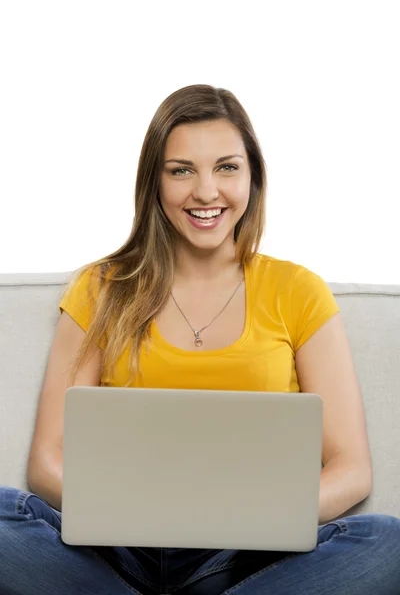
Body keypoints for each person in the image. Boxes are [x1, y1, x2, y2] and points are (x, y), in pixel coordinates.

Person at [1, 84, 399, 595]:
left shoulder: (298, 291)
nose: (206, 191)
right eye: (181, 170)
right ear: (155, 183)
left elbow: (352, 468)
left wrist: (254, 515)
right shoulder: (101, 289)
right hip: (118, 549)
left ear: (253, 177)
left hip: (243, 555)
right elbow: (48, 460)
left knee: (386, 541)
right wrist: (145, 511)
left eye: (227, 167)